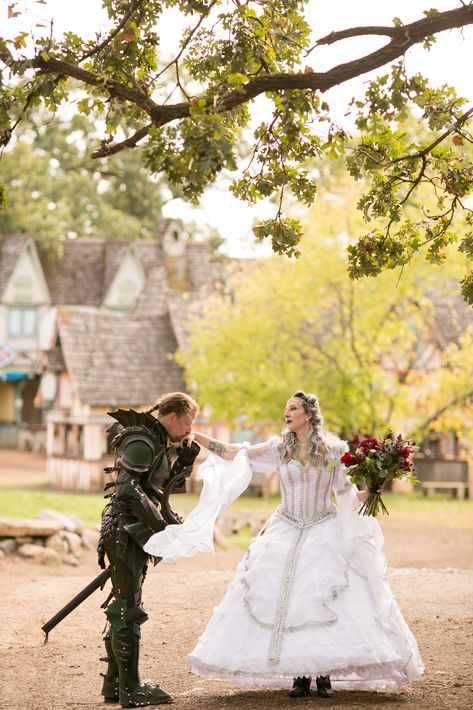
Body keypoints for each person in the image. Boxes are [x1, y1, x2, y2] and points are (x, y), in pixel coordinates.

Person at [145, 390, 424, 698]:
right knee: (284, 598)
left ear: (308, 414)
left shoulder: (334, 449)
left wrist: (372, 487)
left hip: (322, 527)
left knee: (324, 600)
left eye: (292, 408)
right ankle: (300, 675)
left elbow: (346, 494)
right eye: (286, 409)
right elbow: (235, 452)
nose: (286, 413)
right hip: (286, 527)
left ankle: (324, 673)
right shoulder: (279, 447)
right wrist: (197, 437)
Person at [97, 392, 200, 708]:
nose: (189, 429)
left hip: (133, 533)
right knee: (128, 609)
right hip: (126, 532)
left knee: (124, 605)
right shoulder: (143, 439)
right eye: (187, 423)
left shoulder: (158, 438)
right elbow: (128, 491)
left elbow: (162, 488)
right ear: (172, 416)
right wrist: (161, 528)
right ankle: (131, 688)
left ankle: (114, 684)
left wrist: (185, 459)